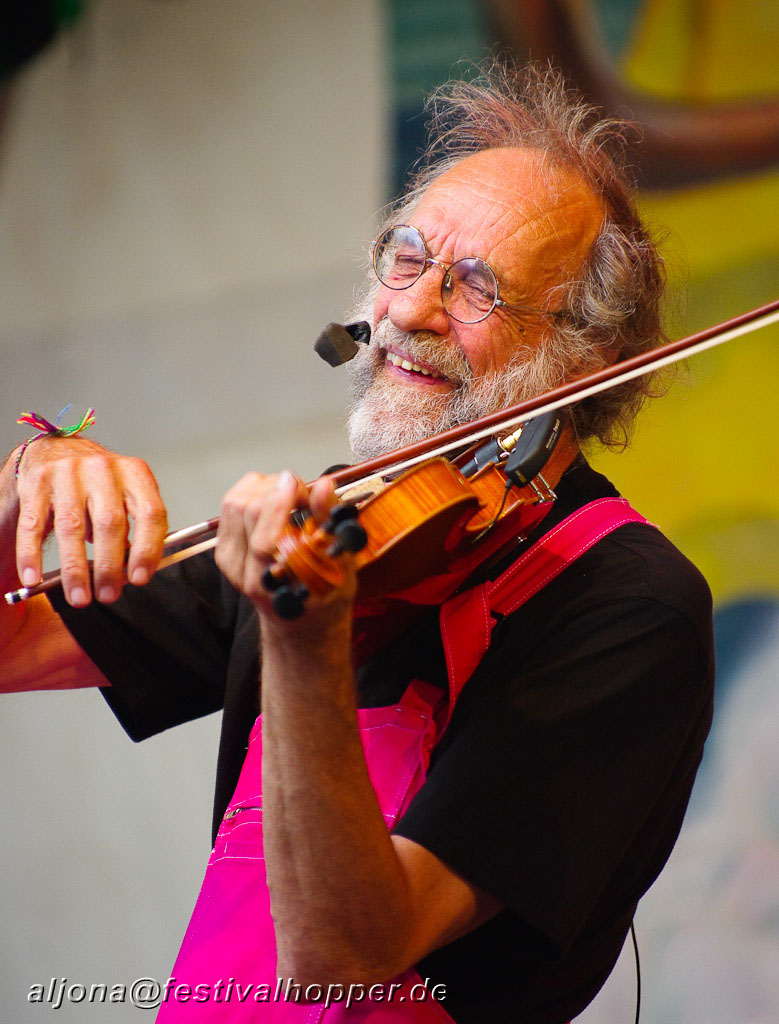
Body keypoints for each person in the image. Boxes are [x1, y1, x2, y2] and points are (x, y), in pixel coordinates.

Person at [0, 62, 714, 1023]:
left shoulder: (626, 601)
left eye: (477, 289)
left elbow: (343, 954)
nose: (410, 312)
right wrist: (24, 491)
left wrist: (302, 639)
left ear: (579, 358)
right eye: (406, 258)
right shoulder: (332, 520)